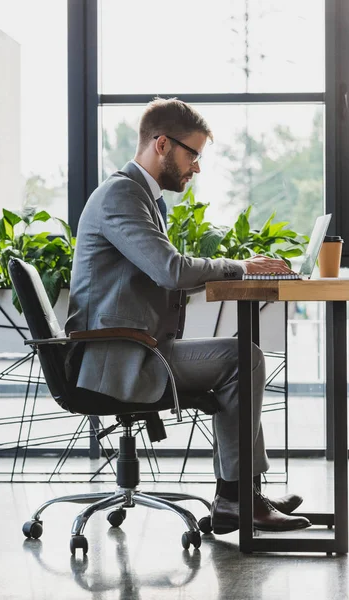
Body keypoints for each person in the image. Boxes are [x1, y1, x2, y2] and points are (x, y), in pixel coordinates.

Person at [65, 97, 311, 533]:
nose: (196, 167)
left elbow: (165, 269)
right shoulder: (121, 194)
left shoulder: (140, 195)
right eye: (192, 154)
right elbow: (171, 269)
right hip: (117, 358)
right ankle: (238, 499)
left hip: (136, 349)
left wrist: (238, 268)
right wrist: (240, 268)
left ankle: (240, 496)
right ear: (162, 144)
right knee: (243, 358)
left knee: (241, 357)